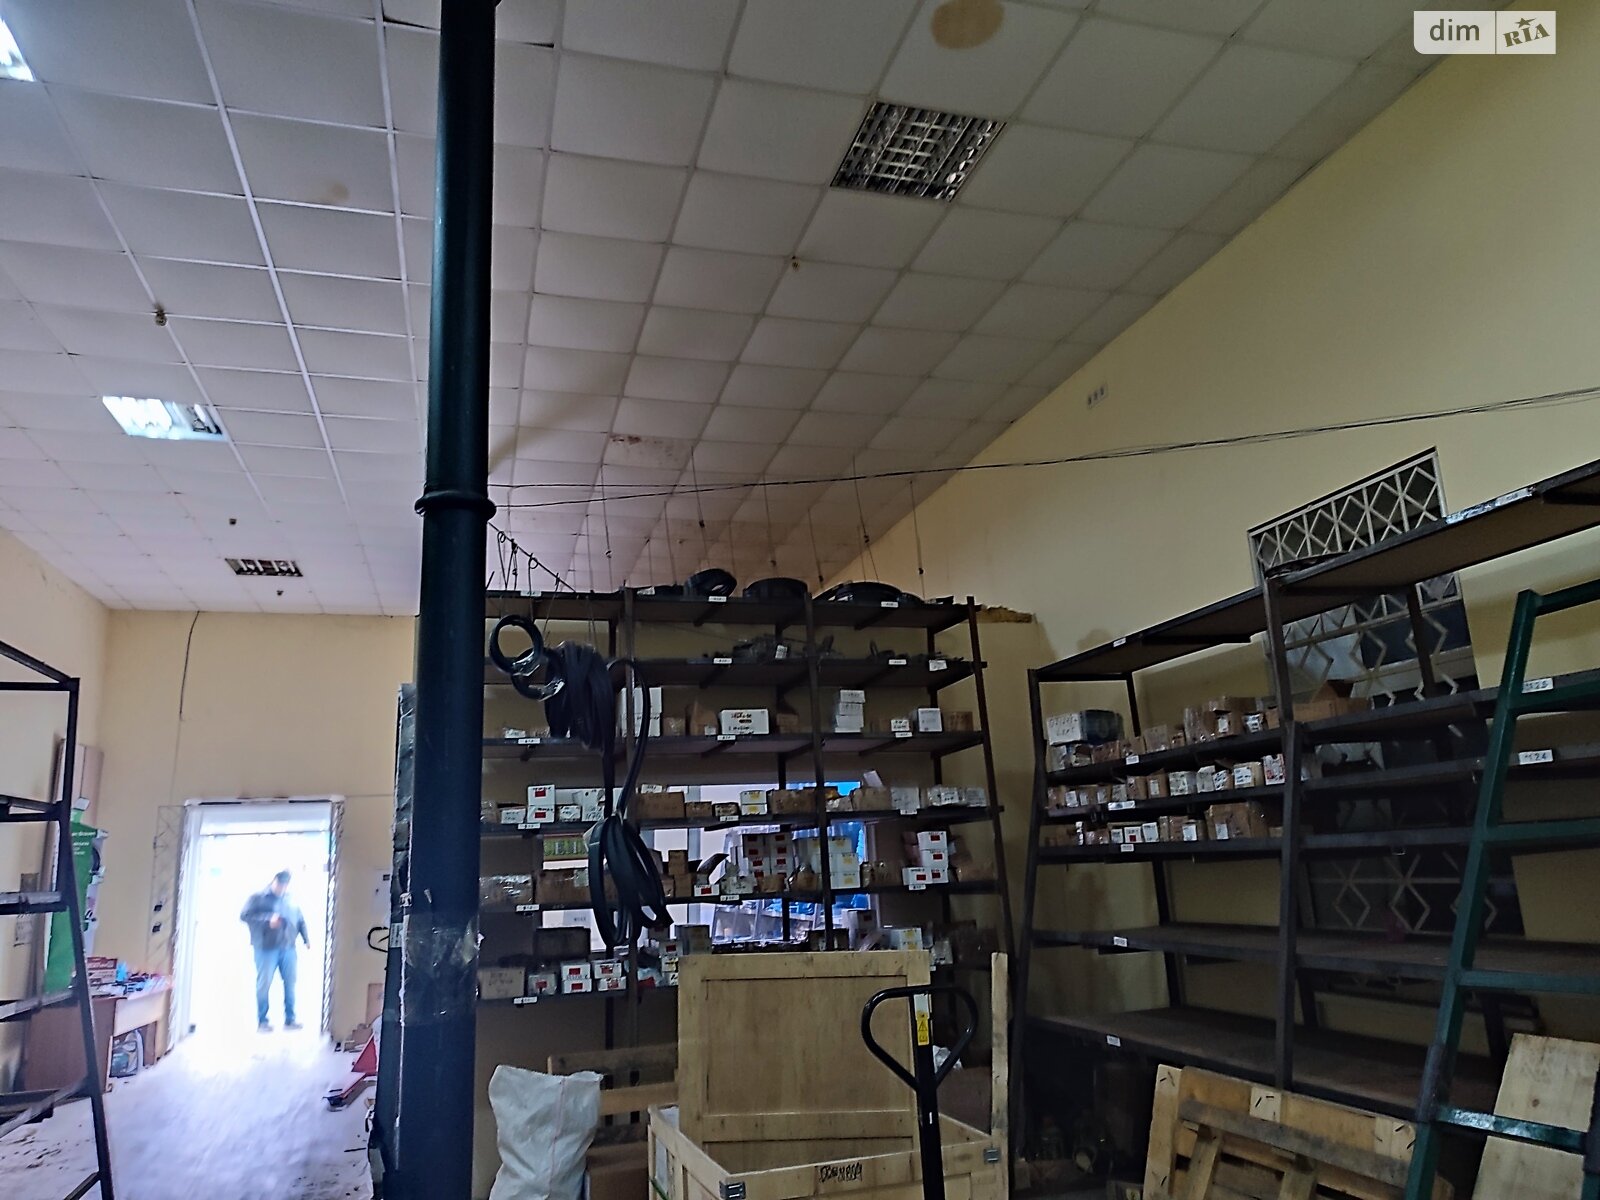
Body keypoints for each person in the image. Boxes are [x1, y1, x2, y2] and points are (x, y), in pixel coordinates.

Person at [240, 870, 310, 1032]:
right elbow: (244, 915)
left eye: (285, 885)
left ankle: (290, 1019)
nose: (282, 888)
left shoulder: (290, 899)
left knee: (290, 982)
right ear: (274, 882)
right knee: (264, 984)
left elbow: (300, 919)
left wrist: (306, 938)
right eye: (280, 884)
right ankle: (262, 1021)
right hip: (265, 948)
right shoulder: (258, 898)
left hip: (288, 947)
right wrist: (267, 920)